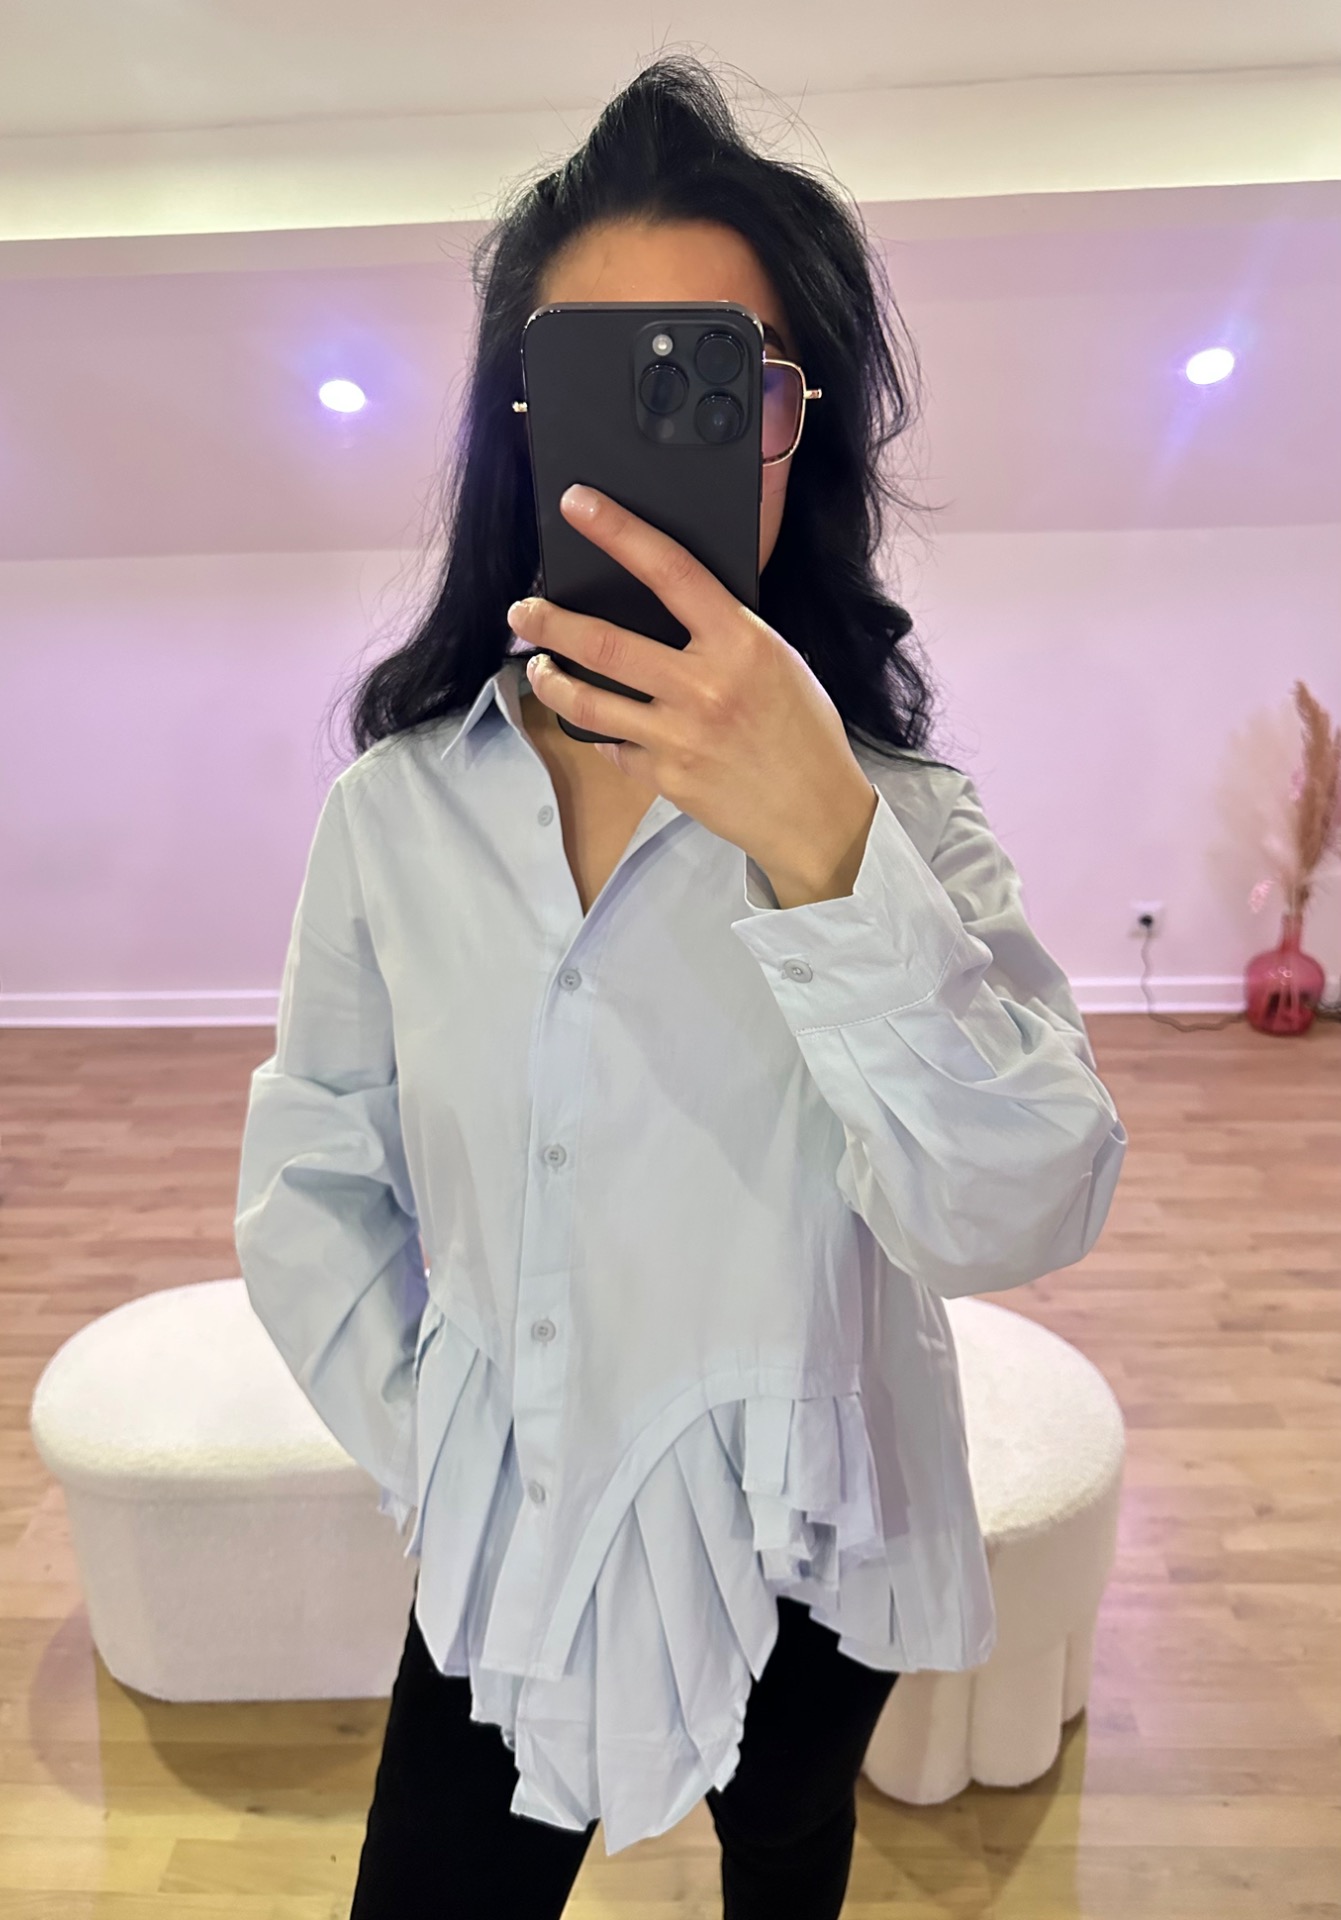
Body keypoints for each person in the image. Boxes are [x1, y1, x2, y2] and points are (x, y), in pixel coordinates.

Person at [233, 53, 1128, 1920]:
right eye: (595, 373)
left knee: (785, 1858)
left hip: (812, 1538)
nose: (661, 426)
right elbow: (309, 1178)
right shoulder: (396, 816)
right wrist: (449, 1446)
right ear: (519, 421)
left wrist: (823, 850)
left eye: (725, 377)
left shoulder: (897, 820)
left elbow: (1016, 1208)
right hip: (508, 1530)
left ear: (796, 429)